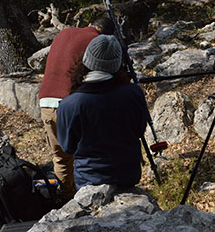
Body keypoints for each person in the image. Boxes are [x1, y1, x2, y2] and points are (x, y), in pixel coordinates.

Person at [56, 35, 148, 189]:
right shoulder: (134, 93)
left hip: (89, 180)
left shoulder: (70, 105)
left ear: (86, 60)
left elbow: (67, 147)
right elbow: (139, 130)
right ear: (118, 63)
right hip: (128, 174)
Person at [38, 16, 114, 199]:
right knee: (86, 153)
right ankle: (90, 198)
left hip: (45, 101)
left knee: (61, 158)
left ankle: (66, 199)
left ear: (89, 24)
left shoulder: (64, 33)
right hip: (71, 104)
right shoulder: (97, 42)